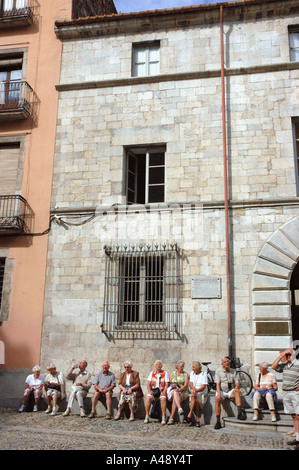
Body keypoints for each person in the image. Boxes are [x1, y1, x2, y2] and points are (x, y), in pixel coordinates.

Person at [272, 349, 299, 450]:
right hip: (286, 392)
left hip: (295, 393)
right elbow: (273, 366)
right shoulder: (285, 365)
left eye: (283, 356)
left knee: (298, 415)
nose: (281, 358)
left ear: (289, 356)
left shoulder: (297, 364)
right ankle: (297, 437)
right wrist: (280, 357)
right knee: (293, 415)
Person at [214, 357, 246, 429]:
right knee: (217, 400)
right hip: (222, 391)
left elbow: (237, 382)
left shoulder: (233, 371)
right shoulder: (218, 371)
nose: (227, 363)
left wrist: (236, 388)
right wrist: (219, 394)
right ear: (222, 364)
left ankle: (239, 413)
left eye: (227, 361)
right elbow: (217, 384)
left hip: (230, 390)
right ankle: (218, 421)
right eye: (225, 362)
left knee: (237, 392)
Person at [144, 360, 169, 425]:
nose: (158, 365)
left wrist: (164, 391)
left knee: (163, 399)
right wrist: (149, 391)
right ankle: (146, 416)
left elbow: (166, 384)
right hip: (154, 391)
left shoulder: (165, 373)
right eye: (157, 364)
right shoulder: (152, 373)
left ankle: (163, 417)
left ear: (161, 366)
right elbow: (148, 383)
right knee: (148, 398)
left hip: (161, 391)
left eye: (159, 364)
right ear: (155, 366)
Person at [185, 361, 208, 427]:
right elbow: (191, 383)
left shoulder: (203, 374)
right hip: (194, 392)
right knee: (196, 400)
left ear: (198, 368)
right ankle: (197, 419)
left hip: (201, 393)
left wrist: (196, 390)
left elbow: (203, 386)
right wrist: (194, 389)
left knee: (194, 396)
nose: (192, 369)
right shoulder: (192, 373)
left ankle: (190, 413)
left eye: (193, 367)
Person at [167, 361, 189, 425]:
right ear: (177, 366)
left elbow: (185, 385)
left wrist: (179, 389)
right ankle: (179, 408)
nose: (182, 367)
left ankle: (171, 418)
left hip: (182, 392)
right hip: (173, 391)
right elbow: (170, 383)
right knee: (174, 392)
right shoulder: (172, 374)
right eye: (181, 366)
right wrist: (172, 386)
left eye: (183, 366)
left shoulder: (185, 374)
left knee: (175, 395)